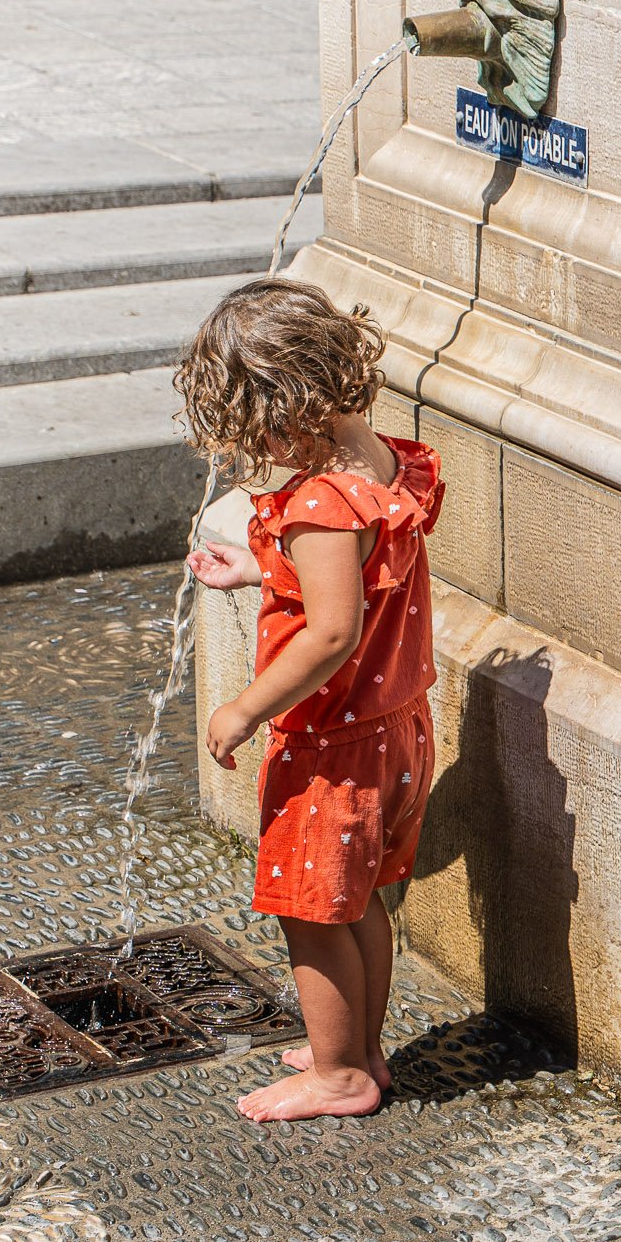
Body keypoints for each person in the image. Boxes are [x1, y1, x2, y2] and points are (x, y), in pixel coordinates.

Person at [175, 277, 443, 1122]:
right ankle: (358, 1047)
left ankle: (338, 1077)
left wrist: (245, 707)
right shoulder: (370, 456)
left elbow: (330, 634)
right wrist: (262, 567)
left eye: (244, 429)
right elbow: (362, 570)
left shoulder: (319, 504)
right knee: (356, 898)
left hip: (334, 744)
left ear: (275, 413)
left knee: (312, 913)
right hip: (398, 729)